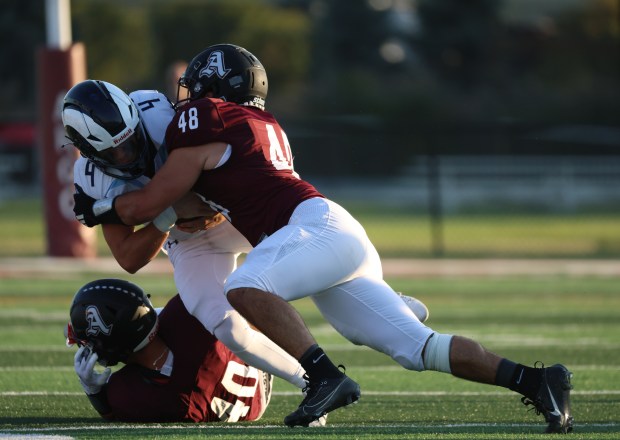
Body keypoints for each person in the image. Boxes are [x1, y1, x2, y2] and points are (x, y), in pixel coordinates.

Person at [72, 44, 572, 433]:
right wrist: (136, 208)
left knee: (245, 288)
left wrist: (99, 206)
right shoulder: (244, 121)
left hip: (310, 229)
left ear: (207, 93)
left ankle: (324, 377)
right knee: (418, 350)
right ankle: (535, 379)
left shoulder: (200, 119)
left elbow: (146, 201)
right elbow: (144, 235)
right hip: (326, 235)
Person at [62, 79, 430, 424]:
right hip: (185, 239)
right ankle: (313, 383)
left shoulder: (159, 115)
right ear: (88, 150)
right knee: (227, 327)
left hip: (228, 207)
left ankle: (380, 296)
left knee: (311, 240)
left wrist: (188, 202)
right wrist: (169, 215)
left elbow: (234, 155)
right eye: (117, 150)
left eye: (132, 141)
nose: (129, 154)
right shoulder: (91, 178)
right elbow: (129, 257)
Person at [66, 278, 273, 422]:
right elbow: (244, 300)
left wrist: (94, 393)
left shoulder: (134, 394)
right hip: (255, 367)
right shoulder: (184, 316)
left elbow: (110, 413)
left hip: (247, 408)